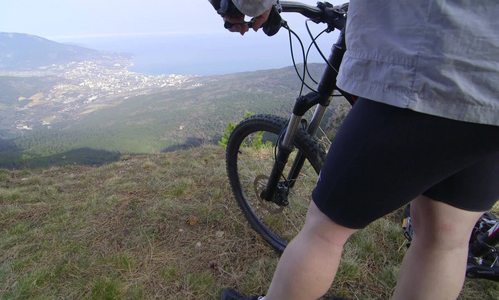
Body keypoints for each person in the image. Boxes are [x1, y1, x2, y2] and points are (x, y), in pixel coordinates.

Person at [211, 0, 499, 299]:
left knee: (324, 232)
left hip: (426, 74)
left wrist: (247, 5)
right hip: (491, 89)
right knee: (445, 236)